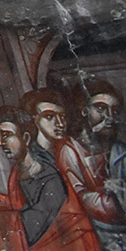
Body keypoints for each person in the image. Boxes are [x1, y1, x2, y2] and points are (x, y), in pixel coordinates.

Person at [0, 105, 99, 250]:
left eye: (6, 135)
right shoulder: (17, 173)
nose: (1, 143)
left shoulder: (49, 177)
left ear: (26, 138)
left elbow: (32, 227)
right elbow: (22, 207)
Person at [57, 79, 126, 250]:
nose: (109, 117)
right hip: (92, 233)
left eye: (114, 111)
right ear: (84, 111)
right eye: (100, 108)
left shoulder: (119, 150)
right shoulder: (70, 150)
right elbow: (81, 200)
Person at [22, 88, 70, 156]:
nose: (60, 124)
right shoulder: (32, 156)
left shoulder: (69, 149)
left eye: (62, 116)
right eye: (49, 116)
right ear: (35, 119)